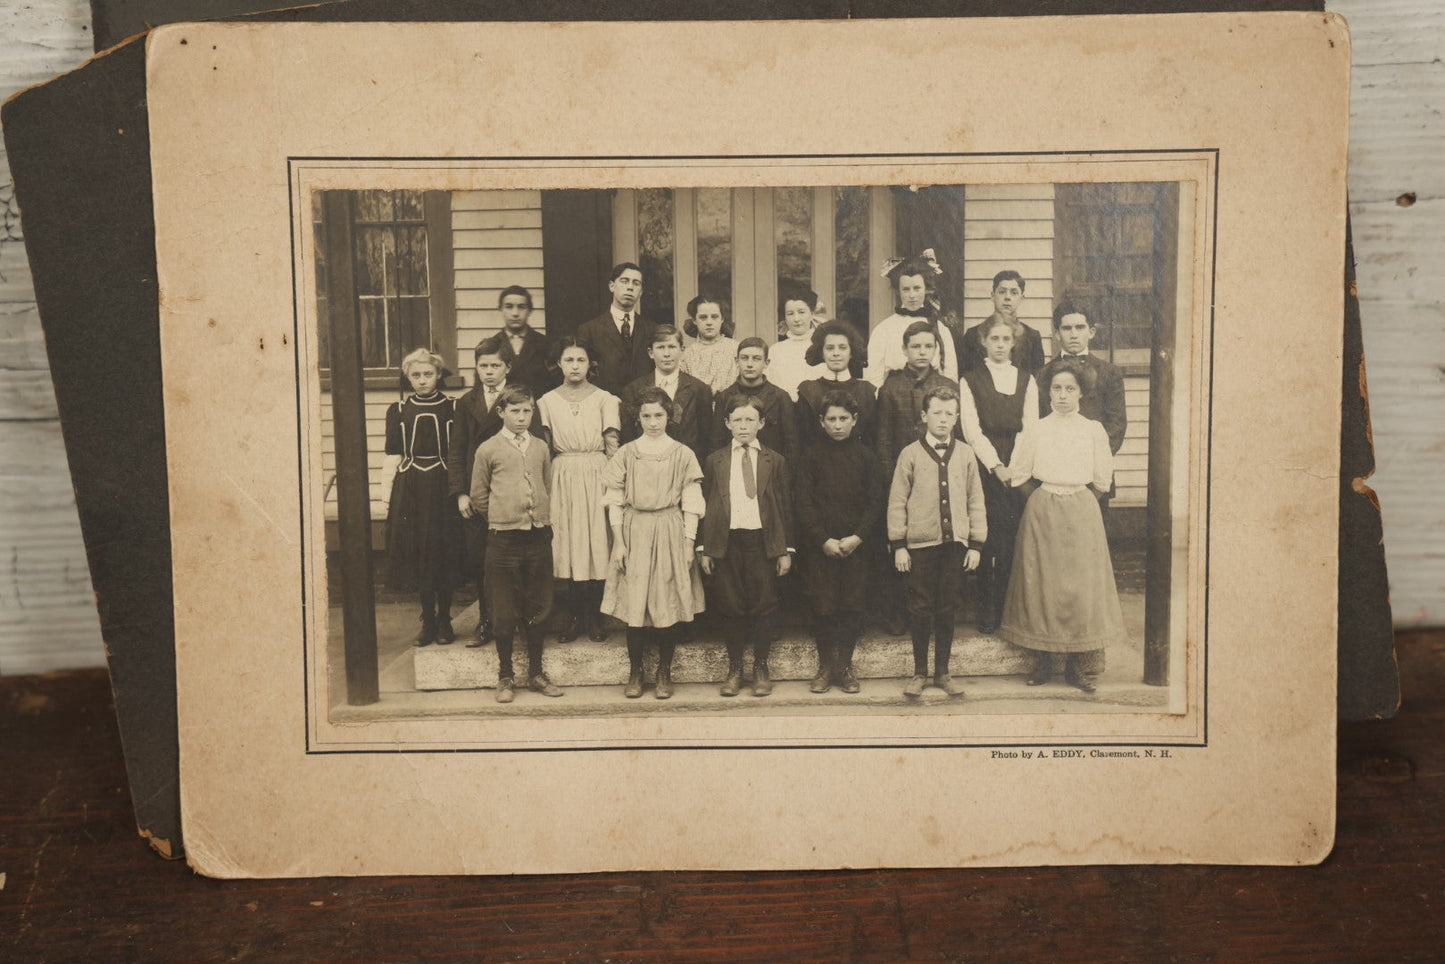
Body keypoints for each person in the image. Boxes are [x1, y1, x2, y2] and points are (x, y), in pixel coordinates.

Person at [1000, 361, 1126, 694]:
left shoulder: (1093, 430)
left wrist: (1080, 501)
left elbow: (1102, 478)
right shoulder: (1037, 429)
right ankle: (1041, 662)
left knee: (1081, 587)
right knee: (1042, 583)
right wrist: (1043, 499)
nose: (1063, 395)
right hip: (1043, 509)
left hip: (1083, 510)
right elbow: (1019, 473)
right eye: (1057, 388)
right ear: (1048, 392)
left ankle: (1077, 668)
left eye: (1070, 388)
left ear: (1082, 392)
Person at [601, 387, 707, 700]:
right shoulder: (626, 453)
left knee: (666, 601)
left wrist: (688, 543)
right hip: (635, 530)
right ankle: (636, 672)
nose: (652, 422)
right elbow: (615, 500)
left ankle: (664, 671)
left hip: (670, 528)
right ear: (638, 417)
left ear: (669, 416)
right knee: (635, 602)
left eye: (658, 415)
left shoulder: (682, 454)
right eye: (646, 416)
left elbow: (691, 501)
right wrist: (619, 543)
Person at [887, 385, 986, 699]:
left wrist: (976, 544)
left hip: (955, 545)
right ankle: (919, 672)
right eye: (937, 413)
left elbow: (976, 500)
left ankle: (943, 671)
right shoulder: (910, 454)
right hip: (920, 546)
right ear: (924, 416)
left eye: (949, 414)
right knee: (920, 607)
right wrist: (899, 543)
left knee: (947, 607)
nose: (943, 420)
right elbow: (897, 501)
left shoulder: (967, 454)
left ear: (956, 417)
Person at [448, 335, 543, 647]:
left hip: (514, 494)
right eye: (482, 366)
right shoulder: (466, 403)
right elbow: (458, 450)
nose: (488, 372)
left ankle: (517, 621)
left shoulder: (520, 402)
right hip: (480, 491)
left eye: (495, 365)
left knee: (519, 560)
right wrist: (461, 492)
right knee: (483, 560)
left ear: (508, 367)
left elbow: (537, 447)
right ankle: (487, 621)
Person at [469, 387, 563, 703]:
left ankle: (536, 673)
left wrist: (538, 516)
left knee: (539, 606)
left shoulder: (539, 448)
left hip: (537, 537)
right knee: (504, 609)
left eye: (527, 412)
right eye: (515, 412)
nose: (522, 418)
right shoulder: (488, 450)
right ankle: (505, 675)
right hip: (503, 540)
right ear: (501, 413)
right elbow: (479, 497)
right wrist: (504, 516)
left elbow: (546, 485)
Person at [700, 397, 795, 698]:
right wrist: (706, 547)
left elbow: (784, 505)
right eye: (737, 420)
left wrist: (786, 549)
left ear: (761, 424)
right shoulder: (715, 459)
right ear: (727, 423)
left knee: (764, 603)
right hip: (727, 542)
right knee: (731, 605)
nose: (743, 426)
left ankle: (761, 668)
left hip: (761, 541)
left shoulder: (774, 460)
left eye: (750, 420)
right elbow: (706, 502)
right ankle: (735, 669)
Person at [873, 321, 960, 636]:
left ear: (936, 350)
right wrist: (889, 480)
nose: (922, 352)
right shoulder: (890, 388)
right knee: (900, 545)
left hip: (937, 477)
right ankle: (898, 612)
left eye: (928, 346)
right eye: (915, 346)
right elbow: (882, 439)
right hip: (901, 477)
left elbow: (955, 437)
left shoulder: (947, 385)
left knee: (935, 545)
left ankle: (935, 614)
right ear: (904, 350)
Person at [794, 391, 882, 694]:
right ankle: (825, 666)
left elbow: (874, 502)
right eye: (831, 419)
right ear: (821, 421)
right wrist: (823, 539)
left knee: (852, 605)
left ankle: (845, 666)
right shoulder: (810, 457)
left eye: (844, 418)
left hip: (856, 547)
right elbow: (803, 502)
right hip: (822, 548)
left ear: (855, 420)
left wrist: (857, 537)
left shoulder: (867, 457)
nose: (837, 425)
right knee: (824, 607)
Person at [958, 315, 1040, 635]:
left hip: (1018, 467)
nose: (1001, 346)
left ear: (1014, 344)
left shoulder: (1027, 379)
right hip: (983, 463)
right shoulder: (970, 379)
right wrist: (995, 465)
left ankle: (1008, 611)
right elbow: (971, 429)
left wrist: (1014, 468)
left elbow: (1029, 426)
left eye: (1006, 340)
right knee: (985, 538)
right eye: (995, 340)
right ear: (984, 342)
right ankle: (986, 609)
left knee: (1010, 540)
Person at [536, 337, 620, 643]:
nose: (574, 366)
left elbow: (612, 445)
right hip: (563, 474)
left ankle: (595, 616)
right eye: (569, 360)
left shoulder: (605, 399)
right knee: (570, 542)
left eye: (581, 360)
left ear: (590, 365)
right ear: (559, 363)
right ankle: (575, 616)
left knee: (597, 541)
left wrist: (614, 483)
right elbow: (544, 448)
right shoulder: (546, 402)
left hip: (596, 472)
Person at [382, 348, 465, 647]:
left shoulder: (454, 408)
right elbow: (393, 453)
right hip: (412, 486)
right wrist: (386, 495)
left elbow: (458, 452)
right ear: (407, 377)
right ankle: (427, 620)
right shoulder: (400, 409)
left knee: (442, 554)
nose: (422, 380)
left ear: (439, 375)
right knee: (420, 553)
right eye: (415, 375)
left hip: (443, 486)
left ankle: (445, 619)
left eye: (428, 374)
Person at [1036, 301, 1127, 457]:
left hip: (1094, 462)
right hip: (1055, 463)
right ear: (1057, 334)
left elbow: (1116, 425)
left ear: (1091, 332)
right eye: (1066, 328)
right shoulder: (1043, 374)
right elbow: (1039, 422)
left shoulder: (1110, 373)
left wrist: (1092, 457)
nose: (1073, 334)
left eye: (1080, 327)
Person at [618, 324, 713, 465]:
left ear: (682, 350)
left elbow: (706, 440)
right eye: (661, 347)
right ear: (651, 353)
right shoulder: (633, 390)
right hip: (645, 466)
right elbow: (628, 437)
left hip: (685, 467)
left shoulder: (699, 389)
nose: (667, 354)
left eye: (672, 347)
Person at [864, 259, 963, 387]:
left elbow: (950, 376)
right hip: (895, 397)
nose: (912, 295)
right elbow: (874, 379)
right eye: (906, 289)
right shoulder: (883, 330)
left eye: (917, 288)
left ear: (926, 289)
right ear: (898, 291)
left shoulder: (940, 329)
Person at [710, 337, 799, 464]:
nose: (750, 364)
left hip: (771, 471)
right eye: (744, 358)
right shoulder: (724, 397)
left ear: (766, 362)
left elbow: (791, 445)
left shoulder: (780, 397)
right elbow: (716, 443)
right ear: (736, 361)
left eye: (756, 359)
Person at [574, 262, 654, 395]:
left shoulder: (651, 329)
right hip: (604, 406)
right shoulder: (589, 330)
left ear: (641, 292)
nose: (630, 287)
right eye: (624, 281)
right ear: (612, 286)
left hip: (642, 407)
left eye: (636, 283)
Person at [795, 319, 876, 451]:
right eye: (830, 348)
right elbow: (802, 440)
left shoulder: (866, 391)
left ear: (851, 352)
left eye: (842, 348)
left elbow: (871, 439)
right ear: (822, 352)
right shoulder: (808, 391)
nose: (836, 353)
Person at [959, 270, 1046, 374]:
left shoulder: (1032, 337)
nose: (1007, 297)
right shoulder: (973, 335)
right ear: (992, 296)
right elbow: (964, 376)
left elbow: (1037, 379)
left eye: (1014, 292)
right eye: (1002, 292)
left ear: (1021, 298)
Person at [492, 284, 558, 396]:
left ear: (530, 311)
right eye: (509, 306)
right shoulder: (492, 345)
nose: (515, 313)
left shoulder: (546, 344)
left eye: (521, 307)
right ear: (501, 309)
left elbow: (556, 385)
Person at [768, 288, 824, 401]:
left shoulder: (823, 347)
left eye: (801, 312)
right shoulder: (775, 350)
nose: (796, 319)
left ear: (812, 314)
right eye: (790, 314)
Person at [678, 293, 739, 395]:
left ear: (722, 319)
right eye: (703, 317)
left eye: (714, 317)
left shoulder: (736, 349)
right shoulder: (686, 355)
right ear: (694, 320)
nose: (709, 322)